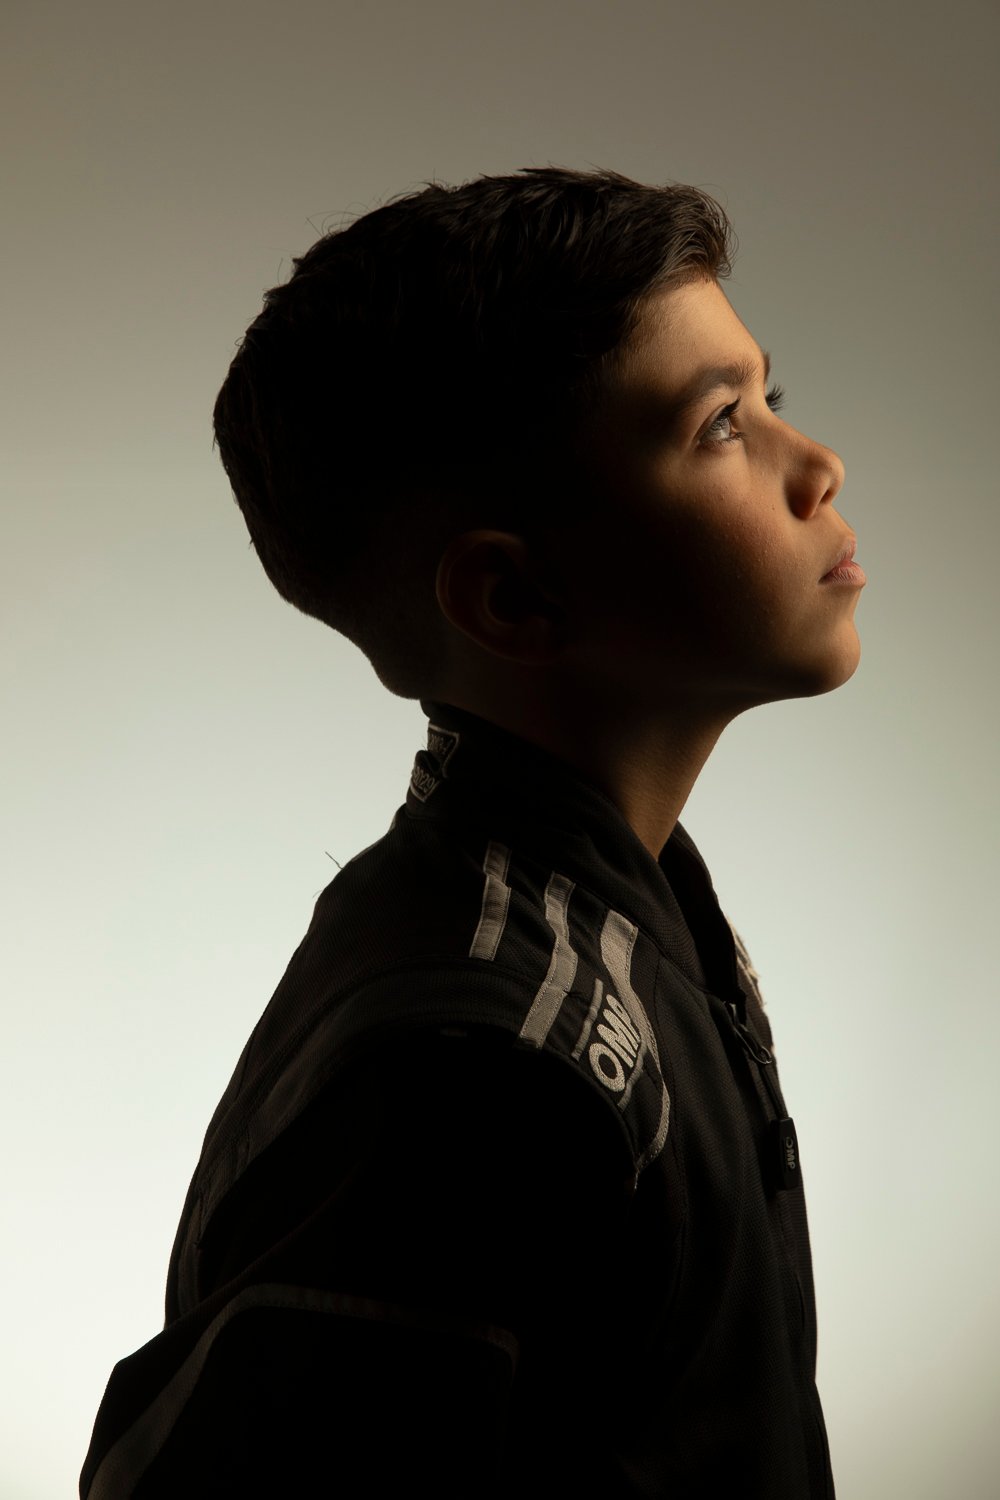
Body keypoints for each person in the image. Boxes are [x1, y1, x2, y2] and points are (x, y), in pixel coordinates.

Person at [80, 166, 862, 1498]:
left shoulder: (621, 902)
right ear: (509, 597)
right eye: (722, 423)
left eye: (769, 394)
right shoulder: (484, 1081)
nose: (819, 464)